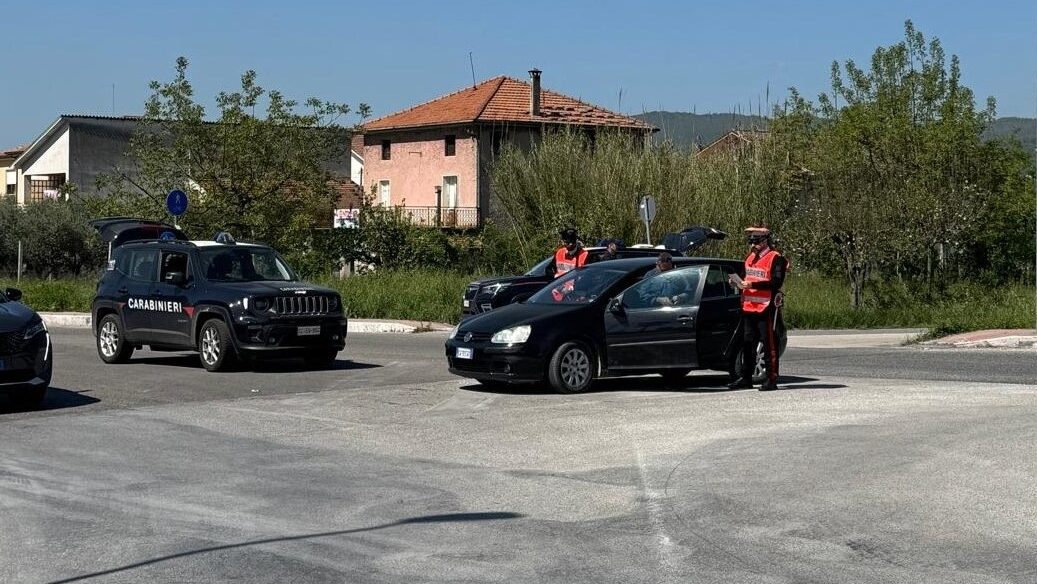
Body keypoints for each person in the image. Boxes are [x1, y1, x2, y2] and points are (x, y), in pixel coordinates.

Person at [728, 226, 788, 391]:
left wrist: (753, 285)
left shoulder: (776, 258)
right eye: (751, 242)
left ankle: (771, 379)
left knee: (769, 344)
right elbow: (745, 276)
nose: (753, 245)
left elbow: (776, 282)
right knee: (748, 343)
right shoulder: (750, 257)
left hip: (766, 307)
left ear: (765, 241)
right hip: (749, 306)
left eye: (756, 242)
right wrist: (736, 282)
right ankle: (746, 378)